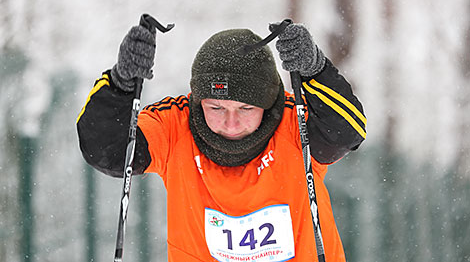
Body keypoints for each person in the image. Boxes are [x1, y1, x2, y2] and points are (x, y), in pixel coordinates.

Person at [76, 21, 366, 262]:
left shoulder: (295, 123)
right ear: (198, 101)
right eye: (216, 108)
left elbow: (348, 131)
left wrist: (315, 69)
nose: (231, 123)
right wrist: (120, 84)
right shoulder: (175, 126)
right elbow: (107, 151)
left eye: (246, 108)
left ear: (267, 104)